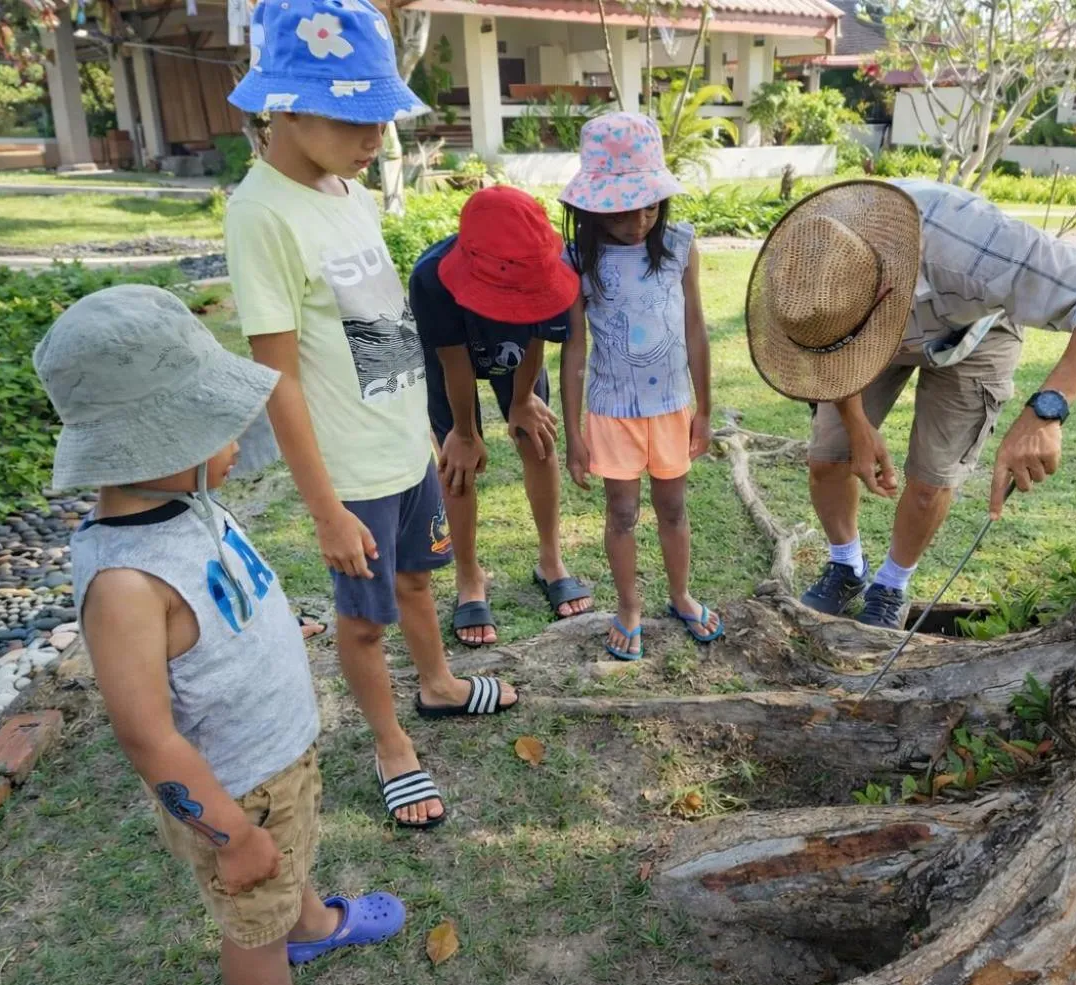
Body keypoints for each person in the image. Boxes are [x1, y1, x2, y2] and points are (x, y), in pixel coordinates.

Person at [41, 285, 405, 985]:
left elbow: (216, 606)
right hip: (235, 796)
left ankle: (310, 926)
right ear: (155, 446)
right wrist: (232, 836)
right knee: (251, 923)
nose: (236, 438)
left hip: (275, 762)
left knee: (288, 861)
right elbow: (147, 734)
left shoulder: (184, 500)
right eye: (213, 425)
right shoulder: (124, 586)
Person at [224, 0, 516, 831]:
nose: (375, 136)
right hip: (349, 475)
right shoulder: (261, 215)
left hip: (403, 446)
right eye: (356, 114)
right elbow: (276, 380)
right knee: (361, 621)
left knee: (420, 579)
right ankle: (391, 744)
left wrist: (420, 427)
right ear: (285, 104)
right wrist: (323, 509)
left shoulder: (345, 188)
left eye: (380, 116)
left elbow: (382, 321)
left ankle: (438, 686)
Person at [746, 179, 1076, 628]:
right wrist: (857, 421)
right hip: (862, 334)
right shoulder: (808, 269)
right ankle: (847, 567)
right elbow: (828, 351)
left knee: (930, 480)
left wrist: (1046, 411)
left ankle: (892, 585)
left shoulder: (977, 251)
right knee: (829, 457)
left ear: (884, 291)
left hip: (975, 333)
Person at [558, 113, 721, 660]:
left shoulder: (678, 245)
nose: (640, 221)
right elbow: (575, 347)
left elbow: (695, 329)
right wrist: (575, 433)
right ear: (594, 207)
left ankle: (681, 594)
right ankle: (629, 606)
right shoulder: (580, 259)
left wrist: (704, 408)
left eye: (651, 205)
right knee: (622, 512)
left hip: (672, 406)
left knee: (674, 508)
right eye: (626, 210)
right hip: (612, 411)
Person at [407, 187, 594, 647]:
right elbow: (453, 361)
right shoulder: (432, 279)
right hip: (453, 361)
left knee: (538, 439)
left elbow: (537, 337)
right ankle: (470, 577)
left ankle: (551, 560)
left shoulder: (552, 268)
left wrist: (523, 399)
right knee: (457, 465)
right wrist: (466, 433)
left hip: (518, 359)